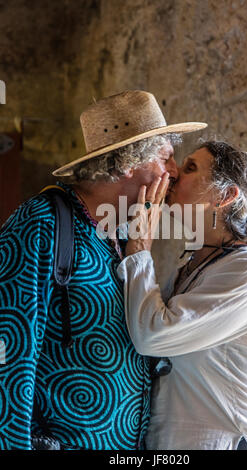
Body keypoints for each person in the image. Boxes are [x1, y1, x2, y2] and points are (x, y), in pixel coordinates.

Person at [0, 90, 206, 450]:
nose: (173, 172)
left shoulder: (123, 232)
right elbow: (9, 352)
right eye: (166, 158)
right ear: (127, 163)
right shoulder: (42, 222)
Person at [117, 140, 247, 450]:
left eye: (191, 167)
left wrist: (139, 248)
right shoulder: (194, 262)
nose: (175, 173)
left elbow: (152, 335)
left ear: (226, 196)